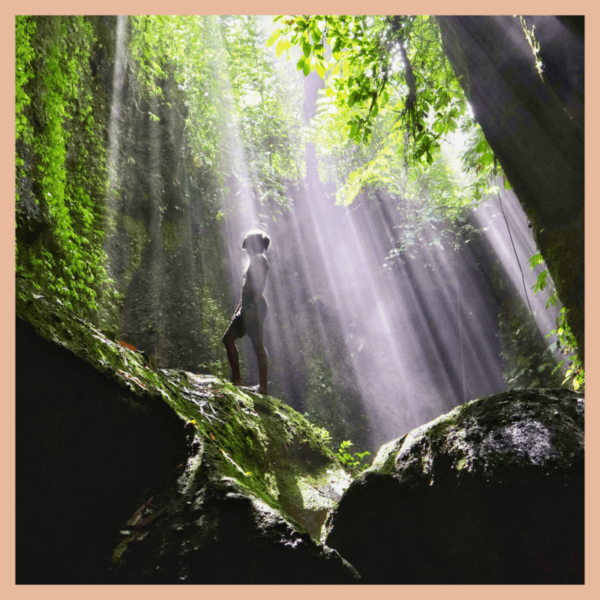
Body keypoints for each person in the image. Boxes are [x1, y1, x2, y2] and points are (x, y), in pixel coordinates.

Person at [222, 230, 270, 394]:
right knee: (228, 339)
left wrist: (252, 308)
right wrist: (238, 310)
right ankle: (236, 380)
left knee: (257, 345)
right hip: (247, 307)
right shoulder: (253, 260)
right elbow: (246, 288)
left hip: (254, 307)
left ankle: (262, 387)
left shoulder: (260, 260)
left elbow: (259, 285)